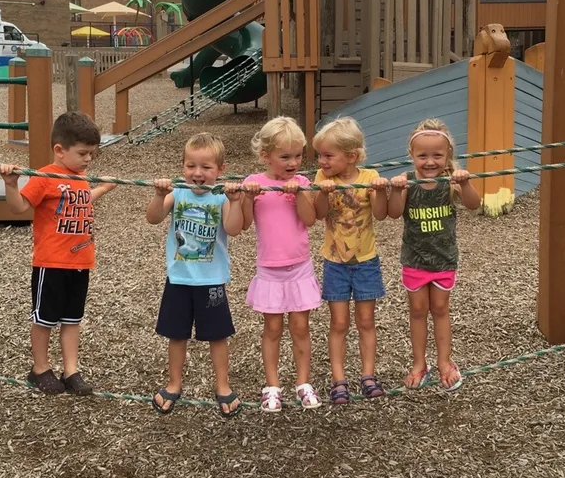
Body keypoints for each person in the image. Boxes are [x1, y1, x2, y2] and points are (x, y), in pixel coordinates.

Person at [0, 112, 117, 395]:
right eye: (83, 153)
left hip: (81, 262)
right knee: (44, 319)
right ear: (60, 151)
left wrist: (101, 189)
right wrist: (11, 185)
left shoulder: (80, 177)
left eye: (92, 153)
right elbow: (19, 208)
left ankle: (71, 370)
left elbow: (81, 201)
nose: (89, 159)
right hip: (51, 263)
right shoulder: (45, 177)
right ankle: (39, 368)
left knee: (72, 319)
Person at [147, 132, 246, 418]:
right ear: (183, 166)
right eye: (191, 166)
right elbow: (153, 218)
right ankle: (174, 384)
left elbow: (234, 228)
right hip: (179, 279)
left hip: (211, 280)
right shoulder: (177, 192)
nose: (198, 173)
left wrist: (236, 201)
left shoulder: (220, 197)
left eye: (206, 167)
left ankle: (223, 386)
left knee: (218, 336)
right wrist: (159, 194)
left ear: (220, 170)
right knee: (176, 335)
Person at [387, 119, 481, 391]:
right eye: (422, 156)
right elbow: (393, 213)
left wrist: (466, 183)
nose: (430, 162)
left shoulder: (451, 182)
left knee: (440, 308)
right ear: (412, 156)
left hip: (443, 259)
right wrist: (396, 190)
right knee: (417, 310)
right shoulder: (408, 182)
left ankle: (444, 362)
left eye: (437, 155)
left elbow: (474, 205)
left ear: (448, 155)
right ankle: (419, 363)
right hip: (415, 259)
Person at [241, 117, 321, 412]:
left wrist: (299, 194)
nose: (293, 162)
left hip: (299, 267)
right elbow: (246, 223)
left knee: (301, 327)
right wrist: (247, 198)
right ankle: (272, 385)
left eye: (298, 155)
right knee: (272, 328)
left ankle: (303, 382)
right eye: (285, 156)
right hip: (270, 269)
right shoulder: (255, 183)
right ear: (266, 156)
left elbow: (310, 220)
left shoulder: (302, 183)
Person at [312, 117, 390, 405]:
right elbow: (320, 214)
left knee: (367, 320)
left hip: (366, 261)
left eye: (328, 155)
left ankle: (368, 376)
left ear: (352, 156)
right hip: (335, 262)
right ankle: (338, 379)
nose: (321, 161)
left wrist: (380, 191)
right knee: (339, 322)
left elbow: (380, 214)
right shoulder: (323, 179)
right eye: (320, 155)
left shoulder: (370, 177)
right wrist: (322, 194)